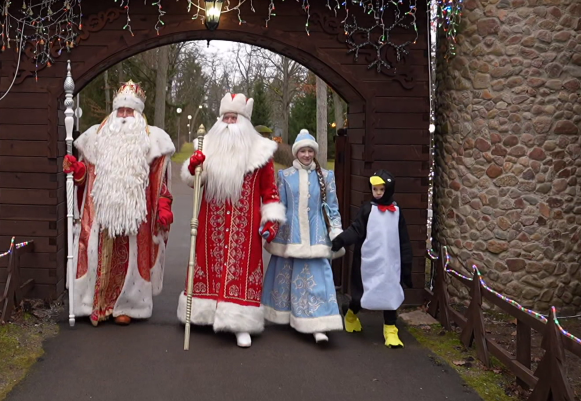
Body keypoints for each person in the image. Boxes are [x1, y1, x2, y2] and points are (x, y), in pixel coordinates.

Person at [62, 80, 175, 326]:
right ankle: (92, 303)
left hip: (136, 219)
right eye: (120, 111)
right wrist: (77, 169)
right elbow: (87, 176)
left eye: (129, 111)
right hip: (101, 215)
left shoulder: (152, 141)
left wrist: (164, 206)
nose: (124, 116)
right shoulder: (96, 137)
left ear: (138, 113)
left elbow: (160, 183)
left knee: (133, 262)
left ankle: (128, 307)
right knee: (93, 253)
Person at [177, 93, 285, 348]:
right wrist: (194, 167)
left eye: (233, 118)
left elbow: (269, 191)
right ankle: (204, 313)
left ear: (244, 122)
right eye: (225, 117)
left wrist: (271, 221)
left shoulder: (261, 154)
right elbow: (195, 183)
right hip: (210, 222)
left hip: (245, 227)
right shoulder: (206, 148)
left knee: (242, 269)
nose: (228, 122)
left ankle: (240, 323)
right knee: (207, 263)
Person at [262, 129, 345, 343]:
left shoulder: (326, 177)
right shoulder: (285, 176)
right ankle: (289, 316)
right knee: (287, 278)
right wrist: (271, 226)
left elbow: (331, 207)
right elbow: (279, 206)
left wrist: (335, 230)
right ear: (296, 153)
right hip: (290, 236)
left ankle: (319, 324)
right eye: (303, 151)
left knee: (318, 280)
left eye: (310, 151)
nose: (307, 155)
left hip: (317, 238)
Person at [331, 170, 413, 348]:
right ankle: (351, 314)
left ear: (389, 190)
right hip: (368, 262)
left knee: (390, 294)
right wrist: (340, 240)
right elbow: (356, 229)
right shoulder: (368, 210)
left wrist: (407, 266)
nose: (377, 193)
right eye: (375, 189)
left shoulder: (397, 212)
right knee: (362, 294)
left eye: (381, 189)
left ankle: (391, 330)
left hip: (391, 262)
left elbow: (404, 240)